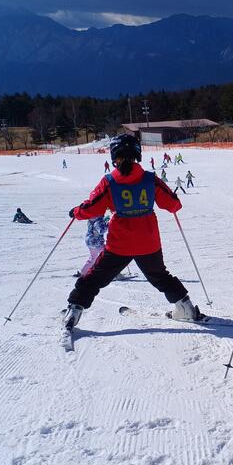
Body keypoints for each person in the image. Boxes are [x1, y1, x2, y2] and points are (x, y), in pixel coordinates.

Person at [61, 134, 206, 333]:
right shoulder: (150, 179)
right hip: (148, 242)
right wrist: (170, 205)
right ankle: (185, 307)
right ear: (137, 155)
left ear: (114, 156)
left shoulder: (109, 181)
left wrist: (77, 212)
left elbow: (93, 207)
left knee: (96, 277)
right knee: (160, 276)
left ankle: (75, 309)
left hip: (120, 244)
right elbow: (173, 203)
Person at [75, 213, 110, 278]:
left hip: (90, 241)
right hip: (96, 242)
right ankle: (111, 273)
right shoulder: (98, 221)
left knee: (93, 257)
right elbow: (101, 230)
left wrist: (104, 222)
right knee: (108, 255)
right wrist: (107, 224)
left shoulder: (91, 219)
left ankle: (84, 272)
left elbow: (95, 228)